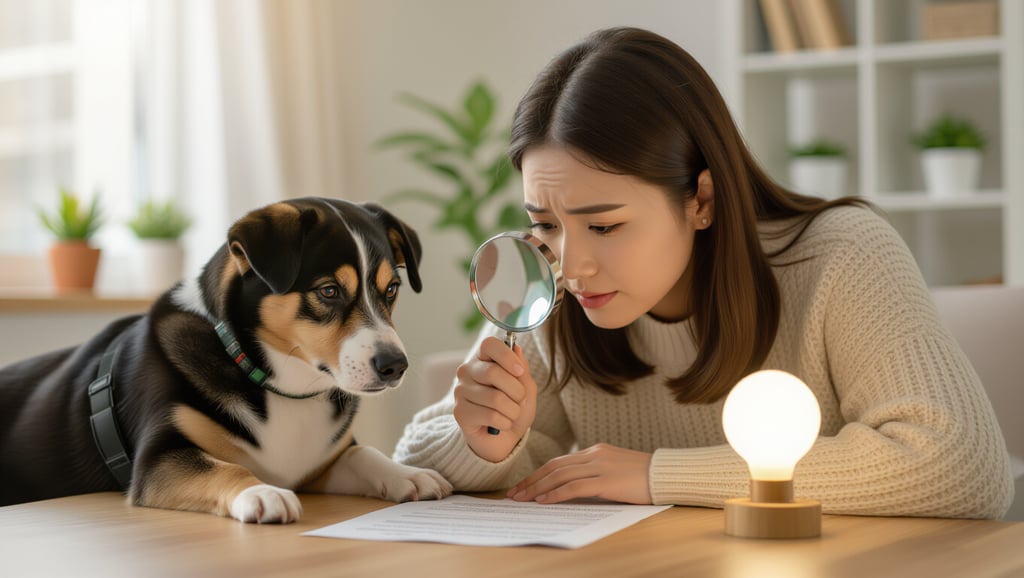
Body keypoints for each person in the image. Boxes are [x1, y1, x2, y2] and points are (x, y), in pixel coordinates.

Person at [393, 27, 1014, 518]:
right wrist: (485, 444)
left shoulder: (842, 255)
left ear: (702, 200)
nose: (573, 265)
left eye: (604, 226)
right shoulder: (545, 285)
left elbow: (961, 466)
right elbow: (414, 463)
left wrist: (658, 475)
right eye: (546, 223)